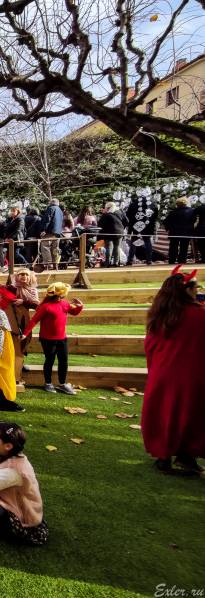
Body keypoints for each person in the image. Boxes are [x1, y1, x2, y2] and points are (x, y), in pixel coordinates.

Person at [142, 266, 205, 474]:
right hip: (191, 374)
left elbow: (150, 346)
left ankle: (164, 458)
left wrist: (154, 371)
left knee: (163, 413)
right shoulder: (199, 314)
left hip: (161, 372)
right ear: (187, 290)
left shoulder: (157, 313)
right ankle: (186, 456)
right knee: (190, 415)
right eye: (196, 289)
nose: (197, 292)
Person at [21, 283, 83, 394]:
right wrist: (25, 333)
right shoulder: (45, 306)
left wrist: (80, 306)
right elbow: (34, 320)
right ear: (61, 294)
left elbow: (74, 312)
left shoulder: (65, 304)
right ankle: (48, 383)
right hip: (47, 339)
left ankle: (62, 384)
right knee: (50, 360)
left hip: (62, 338)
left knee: (63, 360)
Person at [6, 268, 40, 372]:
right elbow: (4, 300)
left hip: (24, 317)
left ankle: (21, 362)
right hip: (11, 317)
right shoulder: (11, 288)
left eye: (27, 275)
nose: (24, 277)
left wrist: (23, 302)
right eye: (22, 275)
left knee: (24, 339)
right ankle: (11, 362)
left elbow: (36, 305)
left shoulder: (32, 290)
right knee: (12, 339)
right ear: (17, 276)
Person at [163, 198, 195, 265]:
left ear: (177, 204)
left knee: (173, 246)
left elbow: (166, 222)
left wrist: (168, 226)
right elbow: (193, 220)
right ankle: (182, 260)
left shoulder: (173, 212)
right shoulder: (192, 211)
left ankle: (172, 260)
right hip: (187, 231)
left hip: (174, 231)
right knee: (184, 246)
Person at [98, 201, 127, 267]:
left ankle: (107, 263)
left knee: (109, 247)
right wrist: (122, 227)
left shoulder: (106, 215)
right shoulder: (120, 213)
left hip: (108, 233)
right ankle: (116, 263)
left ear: (107, 208)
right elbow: (127, 221)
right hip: (119, 232)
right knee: (117, 247)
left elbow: (100, 225)